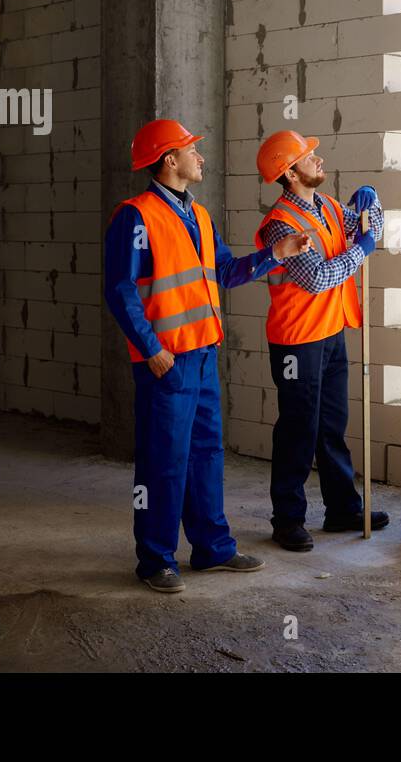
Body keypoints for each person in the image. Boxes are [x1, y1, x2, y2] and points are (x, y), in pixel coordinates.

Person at [104, 118, 311, 592]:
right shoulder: (135, 216)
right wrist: (151, 350)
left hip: (202, 356)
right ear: (168, 160)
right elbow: (120, 291)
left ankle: (212, 548)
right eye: (190, 150)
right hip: (167, 362)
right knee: (163, 461)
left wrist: (275, 253)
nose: (200, 157)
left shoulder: (198, 216)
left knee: (204, 454)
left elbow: (226, 272)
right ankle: (156, 559)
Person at [253, 129, 385, 551]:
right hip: (297, 342)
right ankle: (287, 520)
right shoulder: (279, 226)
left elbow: (368, 225)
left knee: (331, 426)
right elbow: (317, 278)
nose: (318, 158)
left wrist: (371, 198)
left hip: (330, 333)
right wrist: (362, 248)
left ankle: (342, 508)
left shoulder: (327, 207)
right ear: (290, 173)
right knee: (298, 430)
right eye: (308, 156)